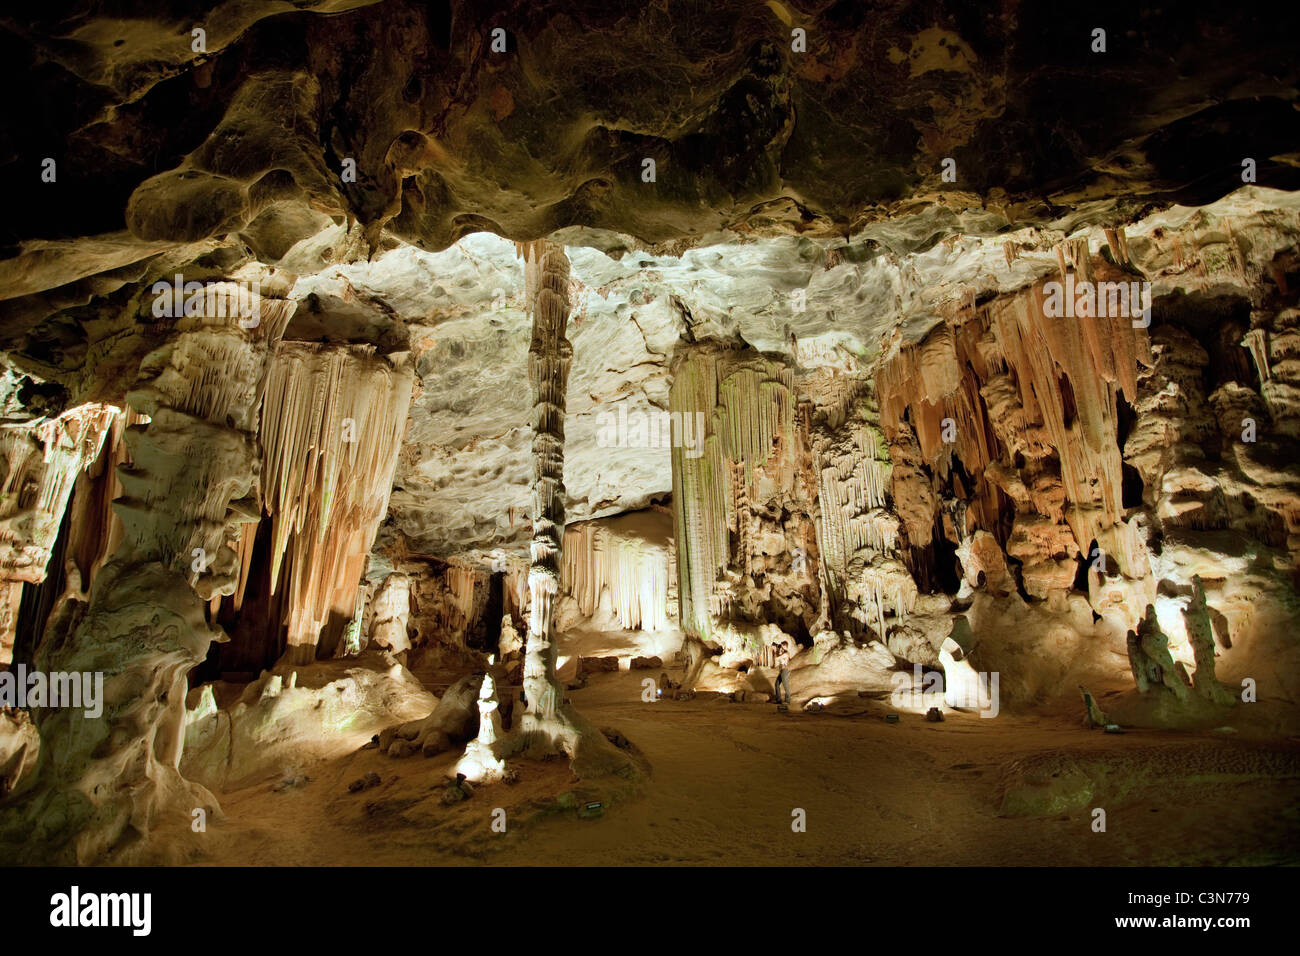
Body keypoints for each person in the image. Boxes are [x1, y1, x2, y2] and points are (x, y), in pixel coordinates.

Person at [773, 641, 791, 705]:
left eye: (782, 646)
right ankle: (778, 699)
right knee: (776, 684)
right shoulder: (783, 653)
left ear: (785, 646)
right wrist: (777, 650)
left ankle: (788, 700)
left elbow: (777, 658)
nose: (781, 647)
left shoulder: (786, 654)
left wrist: (776, 650)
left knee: (785, 685)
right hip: (781, 671)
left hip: (784, 671)